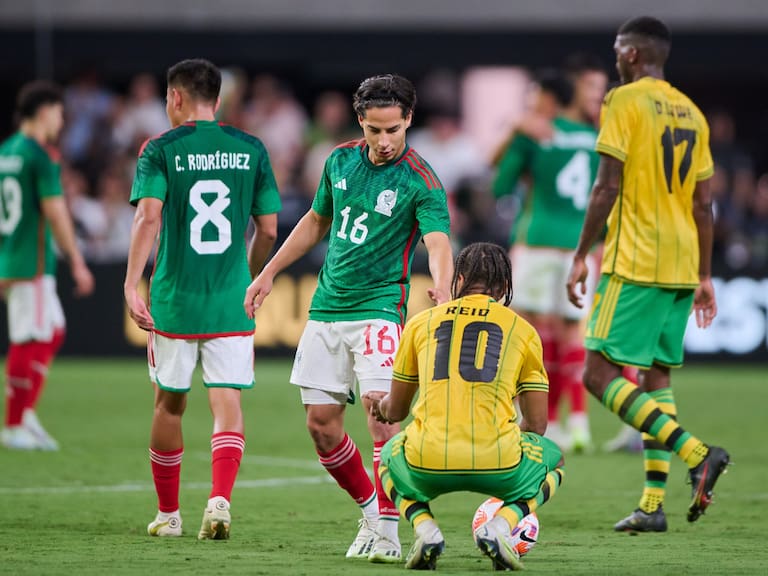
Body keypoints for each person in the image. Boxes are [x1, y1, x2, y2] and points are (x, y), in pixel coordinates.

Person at [244, 74, 453, 563]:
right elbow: (318, 220)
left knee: (382, 421)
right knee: (321, 426)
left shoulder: (421, 180)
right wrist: (270, 271)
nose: (383, 142)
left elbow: (438, 241)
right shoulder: (338, 159)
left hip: (380, 311)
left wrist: (442, 284)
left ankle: (388, 531)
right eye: (374, 131)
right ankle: (370, 509)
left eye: (394, 131)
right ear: (361, 122)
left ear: (408, 122)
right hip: (325, 308)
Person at [566, 16, 730, 532]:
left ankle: (697, 454)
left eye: (618, 50)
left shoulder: (623, 100)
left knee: (597, 373)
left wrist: (579, 254)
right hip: (683, 261)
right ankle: (653, 507)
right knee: (655, 377)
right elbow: (705, 205)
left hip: (637, 255)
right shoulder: (693, 114)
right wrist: (704, 274)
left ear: (633, 54)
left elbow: (606, 186)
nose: (615, 58)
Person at [124, 59, 280, 540]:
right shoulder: (251, 148)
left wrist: (131, 282)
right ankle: (219, 503)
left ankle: (169, 515)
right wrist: (250, 277)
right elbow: (270, 228)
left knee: (168, 405)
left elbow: (148, 218)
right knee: (227, 400)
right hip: (231, 299)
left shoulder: (161, 148)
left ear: (175, 98)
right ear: (218, 98)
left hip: (175, 299)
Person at [367, 242, 564, 571]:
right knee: (554, 461)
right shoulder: (524, 331)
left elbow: (397, 411)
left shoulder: (420, 323)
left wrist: (381, 407)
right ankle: (501, 526)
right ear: (503, 287)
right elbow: (538, 424)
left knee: (387, 456)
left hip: (426, 460)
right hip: (499, 462)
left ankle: (426, 529)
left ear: (457, 279)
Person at [493, 58, 608, 453]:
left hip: (538, 238)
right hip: (580, 245)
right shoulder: (594, 137)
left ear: (546, 97)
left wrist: (514, 133)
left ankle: (521, 417)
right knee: (572, 332)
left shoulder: (534, 132)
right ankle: (574, 422)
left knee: (525, 332)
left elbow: (499, 185)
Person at [0, 81, 95, 451]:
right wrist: (77, 260)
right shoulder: (41, 156)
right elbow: (55, 213)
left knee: (52, 330)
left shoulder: (6, 151)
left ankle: (25, 415)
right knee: (30, 338)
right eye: (58, 112)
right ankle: (13, 423)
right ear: (43, 112)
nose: (62, 120)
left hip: (13, 255)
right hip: (33, 263)